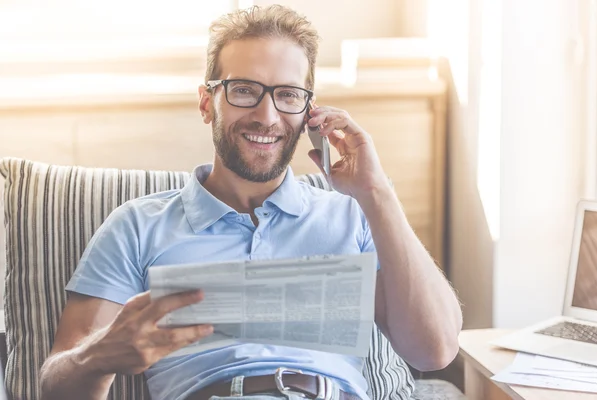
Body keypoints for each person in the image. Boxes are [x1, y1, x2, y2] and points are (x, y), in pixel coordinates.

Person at [39, 5, 462, 400]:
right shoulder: (136, 225)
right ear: (207, 104)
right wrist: (101, 355)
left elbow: (435, 351)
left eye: (289, 95)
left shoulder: (354, 214)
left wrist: (377, 194)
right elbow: (54, 385)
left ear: (309, 111)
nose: (267, 115)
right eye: (244, 90)